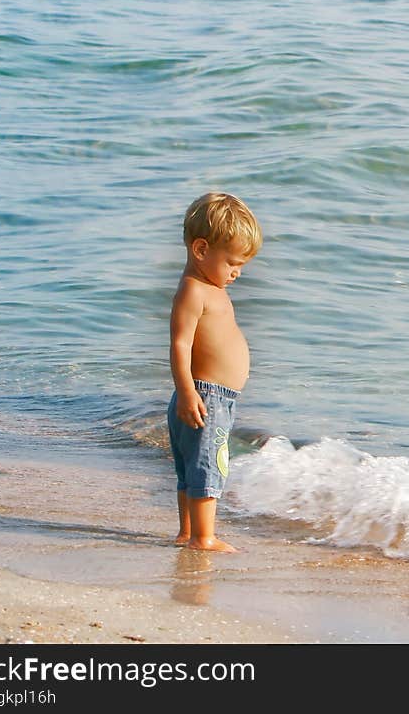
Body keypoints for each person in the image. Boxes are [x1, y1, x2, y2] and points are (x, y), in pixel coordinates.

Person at [168, 192, 263, 551]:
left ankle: (188, 532)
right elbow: (180, 344)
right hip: (206, 396)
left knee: (192, 467)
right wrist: (189, 392)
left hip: (204, 394)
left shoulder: (206, 285)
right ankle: (202, 538)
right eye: (233, 263)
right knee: (209, 465)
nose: (237, 272)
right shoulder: (195, 291)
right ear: (201, 249)